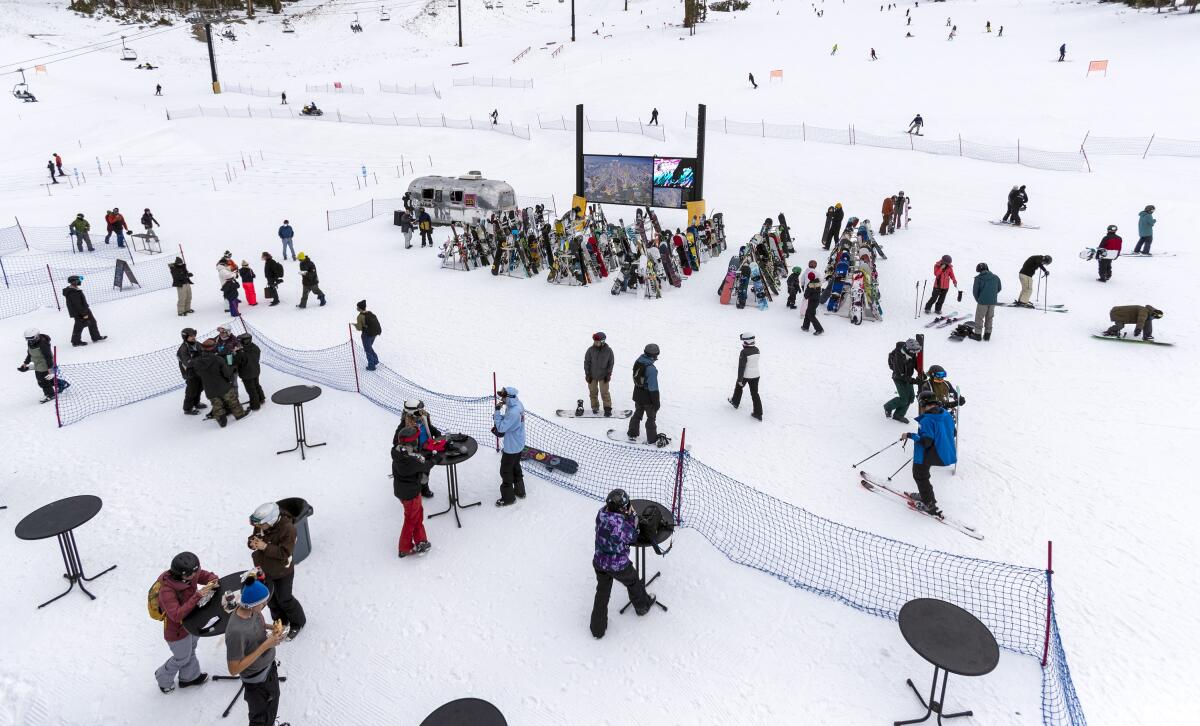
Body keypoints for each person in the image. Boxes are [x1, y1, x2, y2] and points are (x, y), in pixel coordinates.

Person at [589, 488, 655, 639]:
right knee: (633, 581)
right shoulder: (621, 525)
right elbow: (632, 536)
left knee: (602, 592)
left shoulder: (601, 514)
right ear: (622, 508)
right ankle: (642, 606)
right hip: (617, 565)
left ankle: (597, 629)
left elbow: (613, 525)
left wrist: (624, 514)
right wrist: (631, 517)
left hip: (599, 561)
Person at [224, 576, 287, 726]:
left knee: (273, 701)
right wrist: (266, 645)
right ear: (251, 605)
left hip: (268, 668)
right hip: (257, 680)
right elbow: (234, 669)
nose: (266, 604)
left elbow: (260, 624)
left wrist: (273, 628)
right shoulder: (236, 632)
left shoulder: (253, 612)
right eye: (263, 602)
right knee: (260, 717)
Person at [153, 552, 218, 694]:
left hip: (191, 624)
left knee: (191, 650)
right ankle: (162, 678)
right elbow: (176, 615)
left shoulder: (191, 575)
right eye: (192, 574)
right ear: (181, 575)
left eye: (196, 571)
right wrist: (197, 596)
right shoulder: (166, 591)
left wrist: (212, 580)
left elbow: (203, 575)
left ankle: (189, 678)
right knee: (181, 658)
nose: (196, 575)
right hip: (177, 632)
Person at [248, 502, 307, 641]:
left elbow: (285, 553)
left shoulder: (288, 529)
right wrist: (252, 543)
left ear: (271, 520)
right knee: (271, 600)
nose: (258, 528)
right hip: (264, 570)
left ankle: (298, 623)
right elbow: (254, 537)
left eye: (261, 525)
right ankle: (280, 621)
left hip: (282, 572)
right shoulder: (261, 526)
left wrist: (264, 546)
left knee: (285, 599)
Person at [900, 392, 957, 517]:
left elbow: (926, 441)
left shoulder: (927, 420)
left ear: (923, 403)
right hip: (943, 452)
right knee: (923, 476)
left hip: (928, 454)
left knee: (920, 476)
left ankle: (929, 504)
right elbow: (953, 432)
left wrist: (910, 435)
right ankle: (925, 495)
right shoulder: (946, 414)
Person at [392, 426, 436, 557]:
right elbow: (425, 465)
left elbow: (417, 458)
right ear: (412, 443)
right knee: (411, 520)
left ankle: (421, 541)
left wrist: (426, 454)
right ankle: (404, 548)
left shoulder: (399, 452)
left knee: (417, 515)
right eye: (416, 440)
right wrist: (434, 459)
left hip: (404, 492)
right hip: (410, 494)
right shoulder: (409, 461)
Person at [192, 338, 246, 426]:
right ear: (212, 348)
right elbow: (227, 373)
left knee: (217, 405)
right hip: (223, 386)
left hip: (209, 389)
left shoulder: (197, 361)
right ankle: (240, 415)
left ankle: (222, 421)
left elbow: (197, 372)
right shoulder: (218, 359)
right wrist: (232, 367)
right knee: (233, 401)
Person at [492, 386, 527, 506]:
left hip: (511, 447)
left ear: (509, 397)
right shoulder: (517, 405)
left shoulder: (513, 412)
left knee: (505, 471)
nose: (502, 399)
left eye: (503, 396)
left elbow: (501, 427)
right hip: (519, 443)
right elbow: (509, 422)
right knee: (515, 466)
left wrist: (497, 413)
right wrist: (501, 417)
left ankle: (508, 498)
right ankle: (520, 491)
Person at [627, 344, 663, 445]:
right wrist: (656, 402)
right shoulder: (651, 369)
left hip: (638, 393)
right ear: (653, 356)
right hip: (648, 397)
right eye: (656, 355)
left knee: (637, 414)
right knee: (651, 418)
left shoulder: (638, 361)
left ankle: (632, 433)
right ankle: (652, 439)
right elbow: (653, 387)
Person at [883, 339, 922, 423]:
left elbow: (915, 363)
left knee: (910, 398)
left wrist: (921, 372)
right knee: (904, 399)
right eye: (914, 351)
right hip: (899, 379)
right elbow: (900, 375)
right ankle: (888, 407)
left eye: (916, 351)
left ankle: (898, 415)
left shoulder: (911, 353)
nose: (915, 353)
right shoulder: (898, 358)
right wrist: (914, 381)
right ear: (907, 349)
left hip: (907, 377)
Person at [18, 328, 60, 403]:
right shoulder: (31, 343)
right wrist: (25, 363)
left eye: (31, 338)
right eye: (27, 339)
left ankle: (50, 394)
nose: (29, 341)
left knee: (43, 381)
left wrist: (51, 370)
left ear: (36, 336)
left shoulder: (43, 344)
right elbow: (30, 354)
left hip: (46, 363)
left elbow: (48, 357)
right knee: (46, 380)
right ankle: (62, 384)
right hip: (38, 363)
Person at [63, 275, 107, 347]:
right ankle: (76, 341)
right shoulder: (72, 292)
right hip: (79, 312)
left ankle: (96, 337)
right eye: (78, 280)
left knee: (92, 322)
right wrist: (84, 314)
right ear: (74, 282)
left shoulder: (75, 289)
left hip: (84, 310)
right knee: (79, 326)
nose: (80, 281)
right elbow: (77, 304)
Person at [729, 333, 762, 420]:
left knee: (738, 387)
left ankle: (735, 402)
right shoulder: (757, 350)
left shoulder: (744, 352)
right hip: (756, 375)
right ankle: (758, 413)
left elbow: (741, 367)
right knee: (755, 394)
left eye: (744, 341)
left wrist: (740, 379)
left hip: (746, 375)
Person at [176, 328, 208, 416]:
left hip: (199, 371)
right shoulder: (183, 349)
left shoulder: (197, 344)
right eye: (191, 336)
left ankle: (196, 403)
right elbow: (188, 363)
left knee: (200, 387)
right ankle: (188, 408)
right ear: (185, 337)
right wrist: (200, 359)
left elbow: (205, 351)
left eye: (194, 335)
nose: (194, 337)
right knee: (192, 390)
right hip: (190, 373)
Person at [584, 331, 615, 416]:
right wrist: (587, 374)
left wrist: (608, 374)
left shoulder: (608, 351)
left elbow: (611, 363)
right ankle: (595, 407)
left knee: (604, 392)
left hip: (603, 376)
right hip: (592, 375)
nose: (595, 343)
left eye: (597, 342)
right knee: (593, 392)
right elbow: (587, 363)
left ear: (602, 341)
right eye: (595, 341)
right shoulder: (590, 350)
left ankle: (607, 408)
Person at [234, 333, 266, 410]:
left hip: (247, 374)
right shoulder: (255, 347)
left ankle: (255, 405)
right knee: (256, 385)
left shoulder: (241, 352)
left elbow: (237, 362)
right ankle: (261, 398)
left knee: (251, 390)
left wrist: (236, 353)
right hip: (255, 370)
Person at [971, 262, 1002, 341]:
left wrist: (980, 299)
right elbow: (999, 288)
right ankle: (987, 335)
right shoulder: (996, 277)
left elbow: (975, 292)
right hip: (992, 301)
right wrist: (992, 295)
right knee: (989, 317)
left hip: (982, 302)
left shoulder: (978, 278)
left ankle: (977, 335)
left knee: (979, 318)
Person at [354, 300, 382, 371]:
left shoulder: (360, 316)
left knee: (367, 350)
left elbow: (359, 328)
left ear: (360, 308)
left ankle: (371, 365)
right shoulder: (370, 313)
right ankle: (375, 360)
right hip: (374, 334)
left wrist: (355, 325)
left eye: (357, 307)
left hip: (366, 335)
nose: (357, 308)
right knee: (369, 347)